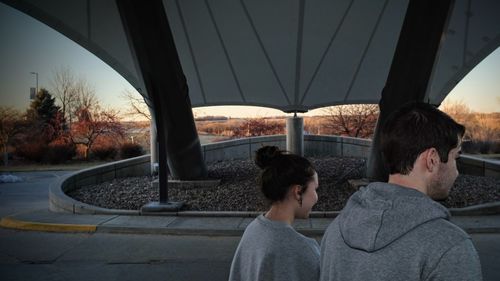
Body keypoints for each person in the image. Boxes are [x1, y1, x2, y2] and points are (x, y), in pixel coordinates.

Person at [319, 102, 482, 281]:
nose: (456, 171)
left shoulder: (335, 232)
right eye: (455, 157)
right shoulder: (449, 247)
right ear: (432, 159)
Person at [229, 146, 320, 281]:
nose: (316, 197)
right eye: (315, 189)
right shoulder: (303, 249)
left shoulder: (252, 230)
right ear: (298, 192)